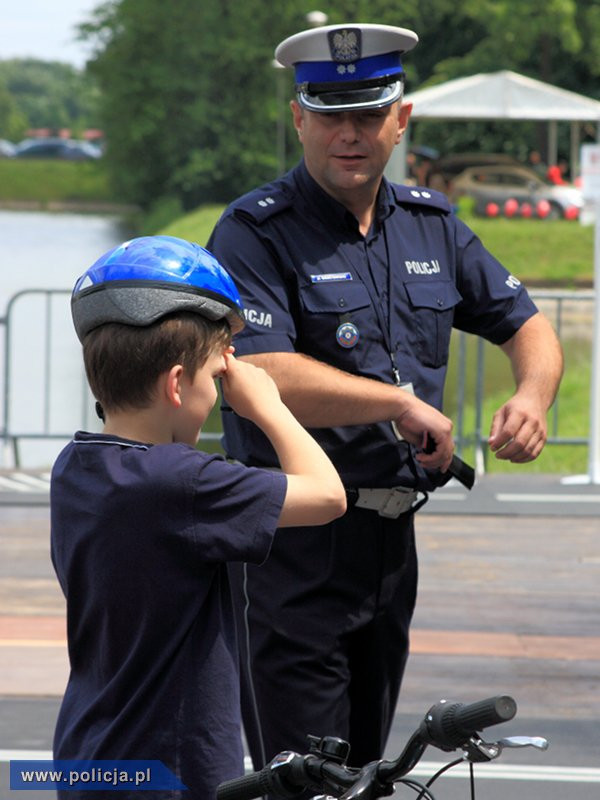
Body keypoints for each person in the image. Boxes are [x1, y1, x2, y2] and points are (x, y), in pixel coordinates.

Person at [207, 22, 564, 773]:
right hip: (289, 547)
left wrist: (532, 395)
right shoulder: (252, 232)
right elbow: (256, 374)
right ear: (298, 118)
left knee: (369, 776)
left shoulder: (432, 224)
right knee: (301, 779)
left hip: (390, 550)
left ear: (401, 120)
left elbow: (527, 326)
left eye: (368, 113)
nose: (349, 133)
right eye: (330, 113)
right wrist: (395, 402)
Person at [50, 235, 346, 799]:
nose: (222, 392)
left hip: (90, 752)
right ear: (176, 383)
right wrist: (269, 406)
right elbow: (328, 494)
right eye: (215, 377)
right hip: (169, 769)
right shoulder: (181, 482)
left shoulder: (76, 467)